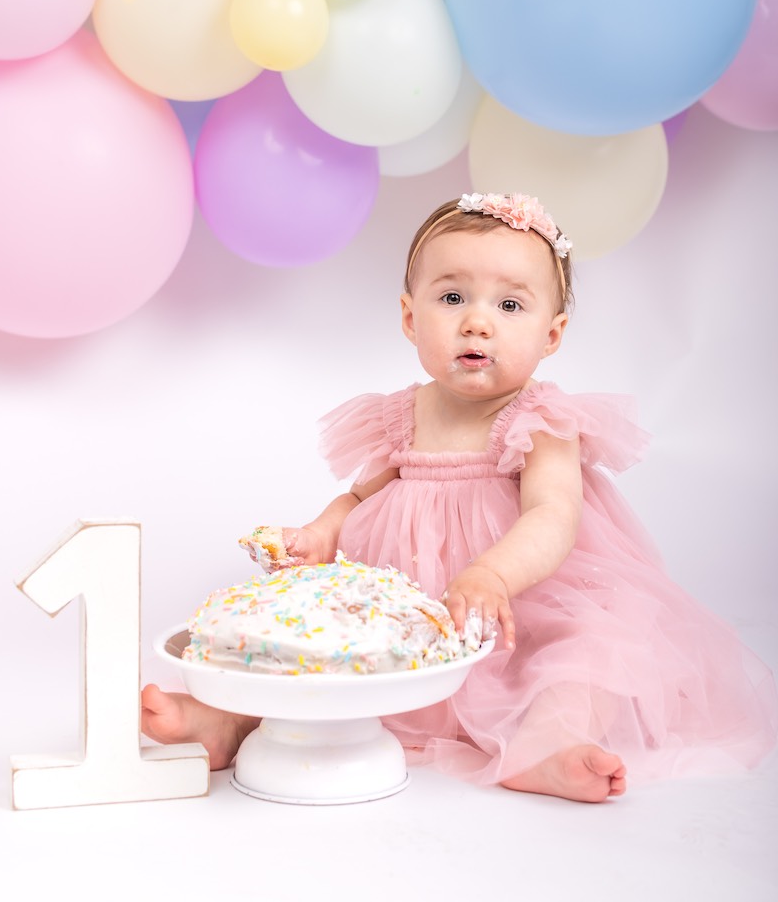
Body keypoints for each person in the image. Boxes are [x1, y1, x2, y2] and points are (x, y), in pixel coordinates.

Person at [143, 192, 777, 802]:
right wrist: (321, 531)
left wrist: (492, 575)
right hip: (412, 606)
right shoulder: (399, 416)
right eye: (453, 297)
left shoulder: (540, 419)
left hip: (518, 608)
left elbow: (553, 516)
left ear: (552, 335)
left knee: (586, 652)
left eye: (509, 305)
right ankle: (225, 719)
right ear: (411, 318)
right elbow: (360, 494)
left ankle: (545, 741)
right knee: (322, 648)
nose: (478, 320)